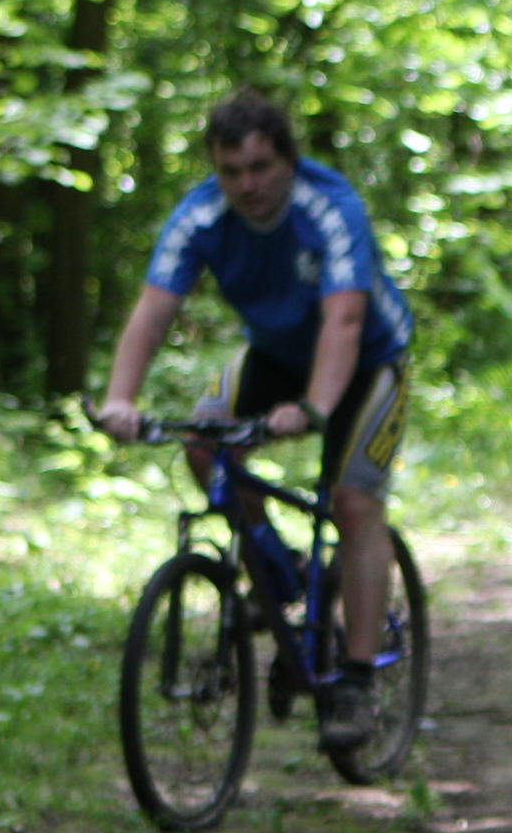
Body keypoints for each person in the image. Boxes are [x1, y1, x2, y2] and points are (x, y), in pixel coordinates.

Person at [95, 89, 415, 751]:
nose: (247, 185)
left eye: (261, 167)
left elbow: (344, 320)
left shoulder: (330, 209)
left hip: (366, 361)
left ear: (288, 161)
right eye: (231, 171)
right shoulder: (199, 216)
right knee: (202, 445)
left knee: (353, 503)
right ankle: (277, 572)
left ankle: (357, 682)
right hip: (273, 355)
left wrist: (314, 409)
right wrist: (119, 400)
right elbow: (152, 312)